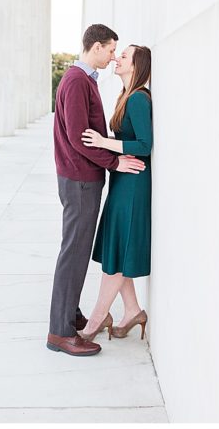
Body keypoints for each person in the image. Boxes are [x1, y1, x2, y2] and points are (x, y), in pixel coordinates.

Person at [47, 24, 146, 356]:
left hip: (81, 179)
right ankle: (60, 332)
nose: (113, 56)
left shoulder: (83, 80)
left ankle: (70, 315)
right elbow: (79, 137)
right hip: (79, 181)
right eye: (111, 48)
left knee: (76, 251)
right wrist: (114, 162)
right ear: (96, 47)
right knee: (73, 253)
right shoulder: (77, 81)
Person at [79, 44, 153, 341]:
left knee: (118, 258)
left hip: (134, 186)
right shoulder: (126, 96)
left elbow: (145, 145)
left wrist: (103, 142)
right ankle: (133, 310)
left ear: (136, 66)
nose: (117, 58)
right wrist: (106, 144)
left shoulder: (137, 99)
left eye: (124, 56)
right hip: (122, 182)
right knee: (116, 251)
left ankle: (96, 319)